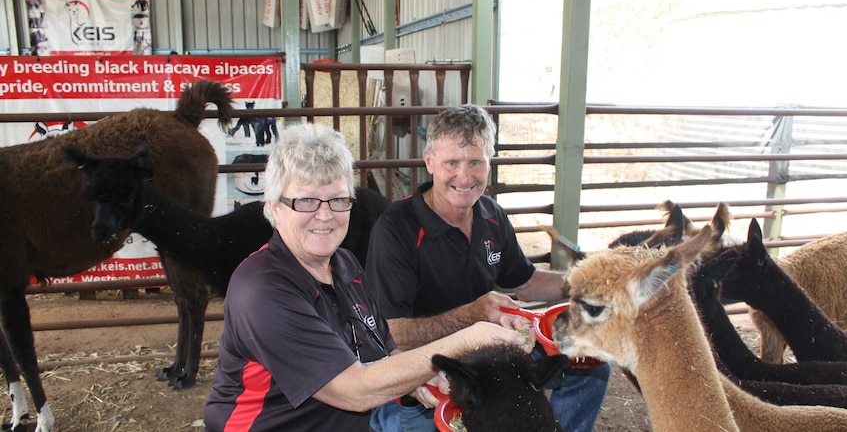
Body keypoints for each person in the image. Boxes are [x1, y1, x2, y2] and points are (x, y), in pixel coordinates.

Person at [203, 123, 533, 432]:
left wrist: (419, 379)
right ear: (274, 207)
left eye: (337, 199)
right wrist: (468, 338)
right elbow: (353, 390)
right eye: (305, 200)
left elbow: (381, 351)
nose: (324, 215)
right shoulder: (263, 289)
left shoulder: (344, 265)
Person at [366, 105, 611, 432]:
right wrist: (472, 315)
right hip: (425, 376)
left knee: (591, 368)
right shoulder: (397, 228)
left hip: (492, 361)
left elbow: (525, 283)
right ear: (429, 162)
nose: (464, 177)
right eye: (451, 163)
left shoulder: (491, 214)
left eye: (475, 163)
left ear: (489, 162)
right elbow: (391, 332)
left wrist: (588, 283)